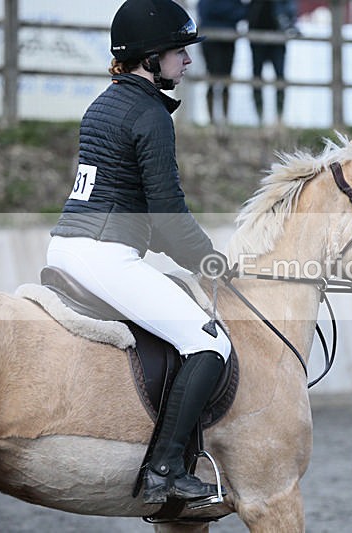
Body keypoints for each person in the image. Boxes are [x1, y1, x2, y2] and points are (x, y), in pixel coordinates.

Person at [46, 0, 232, 505]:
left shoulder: (106, 102)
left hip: (69, 245)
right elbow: (168, 212)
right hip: (104, 254)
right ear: (151, 57)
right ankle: (165, 470)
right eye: (178, 51)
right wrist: (210, 261)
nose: (187, 60)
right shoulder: (150, 115)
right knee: (210, 344)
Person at [247, 0, 299, 126]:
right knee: (257, 77)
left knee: (280, 78)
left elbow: (290, 10)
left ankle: (279, 118)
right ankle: (260, 118)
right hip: (257, 36)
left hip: (277, 37)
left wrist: (288, 24)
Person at [197, 0, 247, 126]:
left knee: (226, 79)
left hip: (227, 40)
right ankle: (212, 120)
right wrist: (228, 12)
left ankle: (224, 119)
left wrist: (219, 12)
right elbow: (205, 10)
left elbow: (242, 12)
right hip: (211, 40)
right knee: (211, 77)